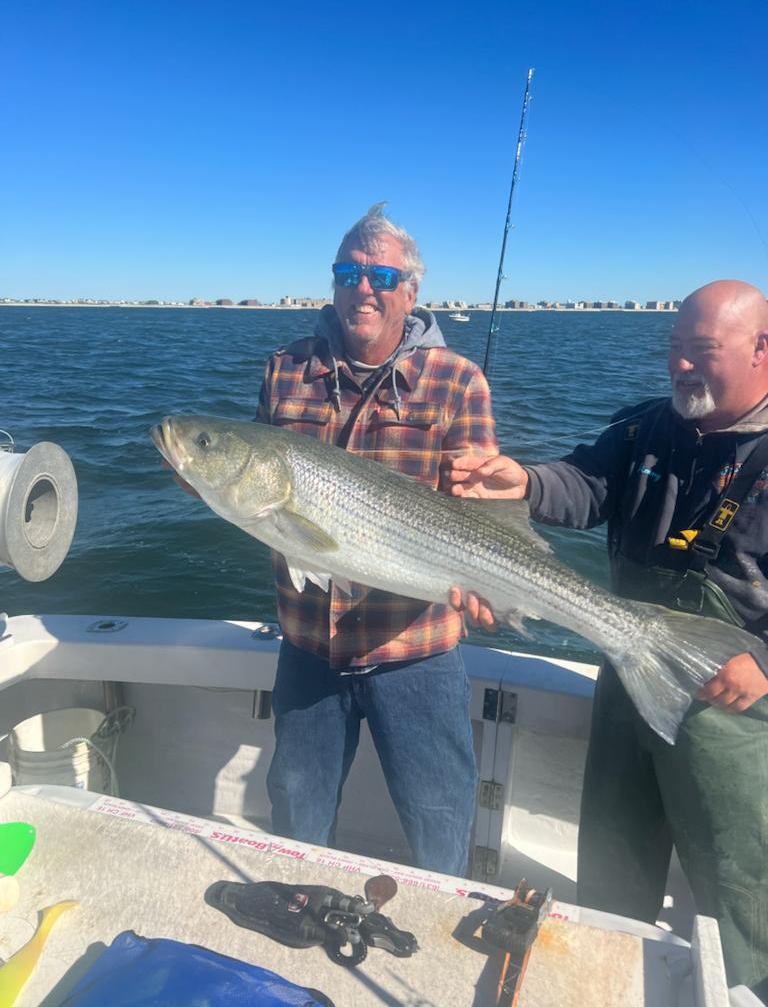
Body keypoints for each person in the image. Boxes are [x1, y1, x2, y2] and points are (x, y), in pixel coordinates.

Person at [448, 279, 768, 998]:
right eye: (675, 348)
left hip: (737, 710)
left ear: (761, 349)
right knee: (611, 876)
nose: (682, 365)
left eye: (703, 351)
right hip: (629, 681)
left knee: (744, 891)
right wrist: (521, 481)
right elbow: (585, 486)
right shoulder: (642, 429)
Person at [255, 205, 498, 876]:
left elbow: (487, 510)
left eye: (382, 275)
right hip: (308, 646)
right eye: (348, 272)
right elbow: (255, 486)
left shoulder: (458, 380)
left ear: (410, 292)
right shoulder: (283, 371)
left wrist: (492, 584)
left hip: (416, 652)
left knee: (440, 826)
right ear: (332, 283)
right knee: (295, 821)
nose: (364, 287)